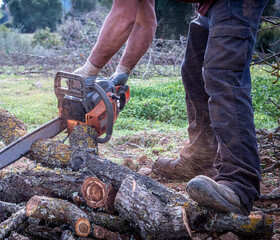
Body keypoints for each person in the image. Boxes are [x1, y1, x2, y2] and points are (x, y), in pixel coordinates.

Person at [74, 0, 269, 216]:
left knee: (223, 74)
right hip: (211, 5)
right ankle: (202, 158)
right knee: (194, 71)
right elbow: (143, 23)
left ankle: (239, 185)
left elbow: (123, 17)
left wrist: (89, 70)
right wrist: (122, 71)